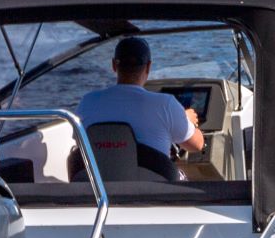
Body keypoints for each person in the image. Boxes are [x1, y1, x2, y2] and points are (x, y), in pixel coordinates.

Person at [77, 36, 204, 169]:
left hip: (100, 187)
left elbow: (79, 142)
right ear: (148, 66)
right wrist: (186, 119)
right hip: (152, 188)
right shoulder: (166, 104)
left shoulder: (88, 102)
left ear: (114, 65)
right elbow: (196, 145)